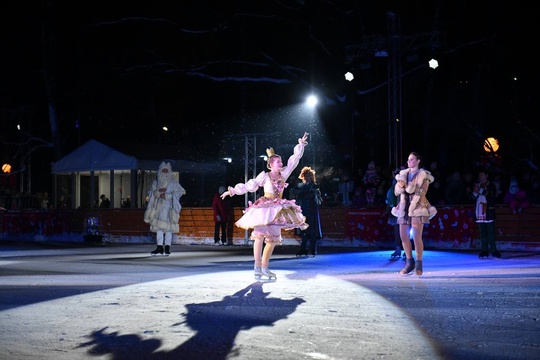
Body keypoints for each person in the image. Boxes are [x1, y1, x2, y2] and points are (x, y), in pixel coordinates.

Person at [221, 132, 309, 280]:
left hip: (278, 209)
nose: (281, 164)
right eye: (278, 162)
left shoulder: (284, 175)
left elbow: (294, 160)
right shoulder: (265, 175)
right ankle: (257, 267)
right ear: (271, 165)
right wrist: (232, 191)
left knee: (273, 239)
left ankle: (265, 267)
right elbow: (250, 185)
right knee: (259, 237)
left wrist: (300, 145)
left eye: (281, 162)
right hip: (264, 208)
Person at [391, 151, 437, 275]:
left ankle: (419, 263)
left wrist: (407, 186)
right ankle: (409, 262)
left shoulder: (423, 175)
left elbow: (421, 192)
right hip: (404, 207)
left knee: (417, 236)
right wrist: (400, 186)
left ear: (418, 161)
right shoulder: (403, 174)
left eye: (411, 159)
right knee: (403, 237)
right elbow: (397, 190)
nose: (409, 161)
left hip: (417, 206)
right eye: (408, 159)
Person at [144, 161, 186, 256]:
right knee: (158, 228)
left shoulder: (173, 183)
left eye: (167, 170)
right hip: (158, 209)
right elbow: (150, 192)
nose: (165, 172)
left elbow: (180, 192)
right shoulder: (156, 183)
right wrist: (157, 193)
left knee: (168, 229)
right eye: (163, 170)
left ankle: (167, 247)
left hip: (168, 209)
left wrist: (167, 196)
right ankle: (159, 247)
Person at [472, 170, 501, 259]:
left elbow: (492, 197)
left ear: (486, 175)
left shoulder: (491, 185)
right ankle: (484, 250)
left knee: (490, 233)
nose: (480, 176)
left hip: (488, 212)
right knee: (482, 233)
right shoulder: (477, 184)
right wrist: (475, 192)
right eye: (479, 174)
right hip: (479, 211)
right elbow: (473, 198)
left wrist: (481, 190)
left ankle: (494, 250)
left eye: (482, 174)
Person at [295, 166, 323, 257]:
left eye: (308, 175)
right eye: (305, 176)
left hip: (311, 210)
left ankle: (313, 249)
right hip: (304, 210)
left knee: (312, 230)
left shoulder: (314, 186)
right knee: (304, 230)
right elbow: (299, 196)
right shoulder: (304, 186)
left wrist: (303, 196)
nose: (306, 177)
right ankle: (304, 248)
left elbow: (311, 197)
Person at [385, 169, 402, 260]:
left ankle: (406, 250)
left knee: (404, 230)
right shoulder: (393, 185)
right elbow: (390, 197)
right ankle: (398, 248)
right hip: (396, 210)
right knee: (397, 230)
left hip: (403, 210)